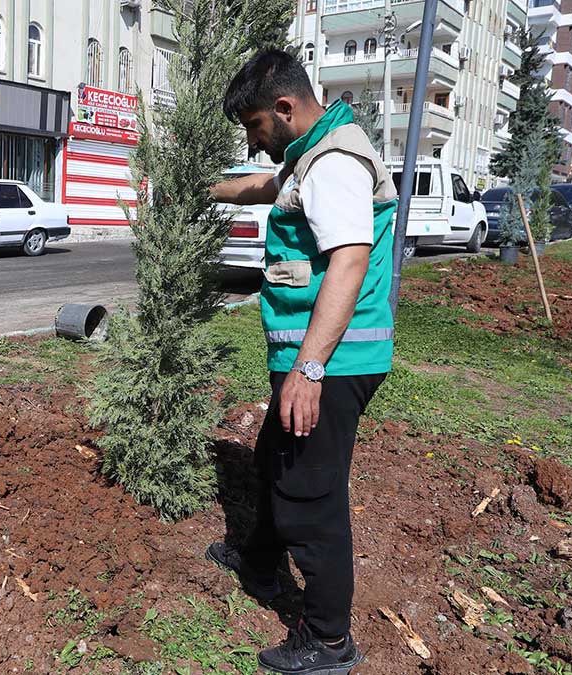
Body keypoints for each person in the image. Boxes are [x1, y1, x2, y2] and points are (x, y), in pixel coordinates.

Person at [204, 48, 397, 674]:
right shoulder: (312, 153)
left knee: (309, 494)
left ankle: (328, 640)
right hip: (315, 359)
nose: (256, 144)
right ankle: (261, 563)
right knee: (274, 459)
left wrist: (309, 370)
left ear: (284, 109)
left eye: (256, 128)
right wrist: (201, 188)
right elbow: (269, 185)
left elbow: (349, 261)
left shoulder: (334, 163)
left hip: (333, 364)